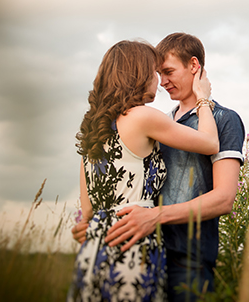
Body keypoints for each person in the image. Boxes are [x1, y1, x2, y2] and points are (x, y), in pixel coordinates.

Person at [68, 40, 218, 302]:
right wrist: (203, 98)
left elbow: (88, 211)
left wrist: (88, 227)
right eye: (153, 72)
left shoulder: (93, 127)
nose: (158, 82)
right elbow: (210, 143)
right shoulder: (142, 117)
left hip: (94, 247)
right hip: (131, 243)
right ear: (137, 74)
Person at [106, 33, 245, 300]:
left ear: (194, 66)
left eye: (168, 72)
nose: (162, 82)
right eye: (159, 73)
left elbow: (224, 199)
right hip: (145, 254)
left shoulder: (224, 119)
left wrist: (155, 216)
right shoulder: (160, 123)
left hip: (189, 261)